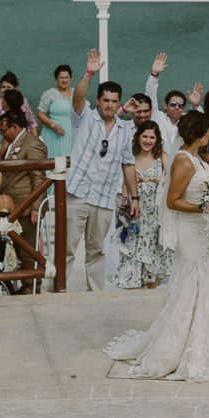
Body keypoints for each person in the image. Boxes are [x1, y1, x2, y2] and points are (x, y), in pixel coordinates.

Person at [105, 111, 209, 381]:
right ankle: (175, 347)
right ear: (198, 132)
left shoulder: (197, 157)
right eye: (208, 130)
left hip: (200, 232)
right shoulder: (184, 161)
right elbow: (172, 201)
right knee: (190, 284)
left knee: (201, 283)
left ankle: (197, 340)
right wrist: (206, 207)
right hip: (189, 231)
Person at [67, 49, 138, 291]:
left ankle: (94, 296)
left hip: (104, 198)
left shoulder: (124, 130)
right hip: (77, 192)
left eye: (114, 100)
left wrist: (134, 195)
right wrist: (88, 73)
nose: (109, 104)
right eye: (105, 100)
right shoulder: (83, 117)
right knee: (67, 248)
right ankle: (57, 292)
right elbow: (77, 97)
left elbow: (128, 164)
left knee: (96, 251)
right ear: (98, 100)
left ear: (119, 102)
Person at [111, 120, 172, 290]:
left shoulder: (162, 157)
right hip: (134, 208)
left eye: (152, 137)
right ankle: (131, 281)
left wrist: (158, 179)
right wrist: (124, 200)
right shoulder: (130, 156)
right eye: (144, 136)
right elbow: (124, 182)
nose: (148, 140)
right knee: (131, 243)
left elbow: (172, 179)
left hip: (155, 211)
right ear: (138, 137)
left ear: (157, 139)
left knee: (152, 244)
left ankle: (151, 283)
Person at [0, 112, 48, 294]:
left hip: (27, 206)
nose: (1, 134)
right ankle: (27, 285)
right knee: (20, 249)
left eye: (3, 130)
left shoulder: (32, 144)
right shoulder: (12, 144)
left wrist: (36, 207)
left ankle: (33, 287)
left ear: (15, 127)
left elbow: (39, 178)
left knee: (28, 250)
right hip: (14, 205)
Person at [37, 64, 73, 158]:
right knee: (53, 166)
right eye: (61, 78)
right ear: (56, 79)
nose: (64, 80)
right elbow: (40, 113)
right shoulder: (49, 93)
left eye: (66, 77)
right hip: (53, 135)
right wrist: (53, 125)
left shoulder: (76, 93)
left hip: (71, 136)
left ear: (70, 79)